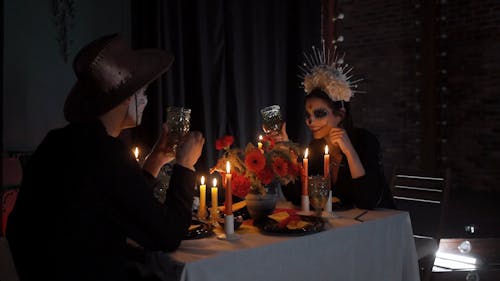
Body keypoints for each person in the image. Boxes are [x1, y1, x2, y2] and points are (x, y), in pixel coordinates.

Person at [6, 34, 205, 281]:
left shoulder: (58, 141)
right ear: (125, 98)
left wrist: (154, 163)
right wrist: (185, 166)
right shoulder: (106, 154)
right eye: (142, 91)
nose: (145, 100)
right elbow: (167, 235)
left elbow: (117, 201)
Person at [273, 45, 395, 210]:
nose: (310, 121)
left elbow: (368, 201)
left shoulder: (364, 141)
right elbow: (297, 197)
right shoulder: (316, 148)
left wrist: (350, 152)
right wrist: (287, 154)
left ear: (340, 115)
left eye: (320, 114)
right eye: (308, 115)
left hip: (378, 226)